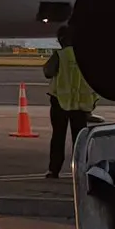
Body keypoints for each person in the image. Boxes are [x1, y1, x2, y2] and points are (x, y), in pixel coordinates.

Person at [41, 23, 97, 180]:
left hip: (60, 102)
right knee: (79, 140)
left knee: (58, 137)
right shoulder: (85, 55)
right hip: (80, 105)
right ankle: (81, 170)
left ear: (62, 39)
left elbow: (48, 72)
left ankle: (54, 170)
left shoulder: (61, 55)